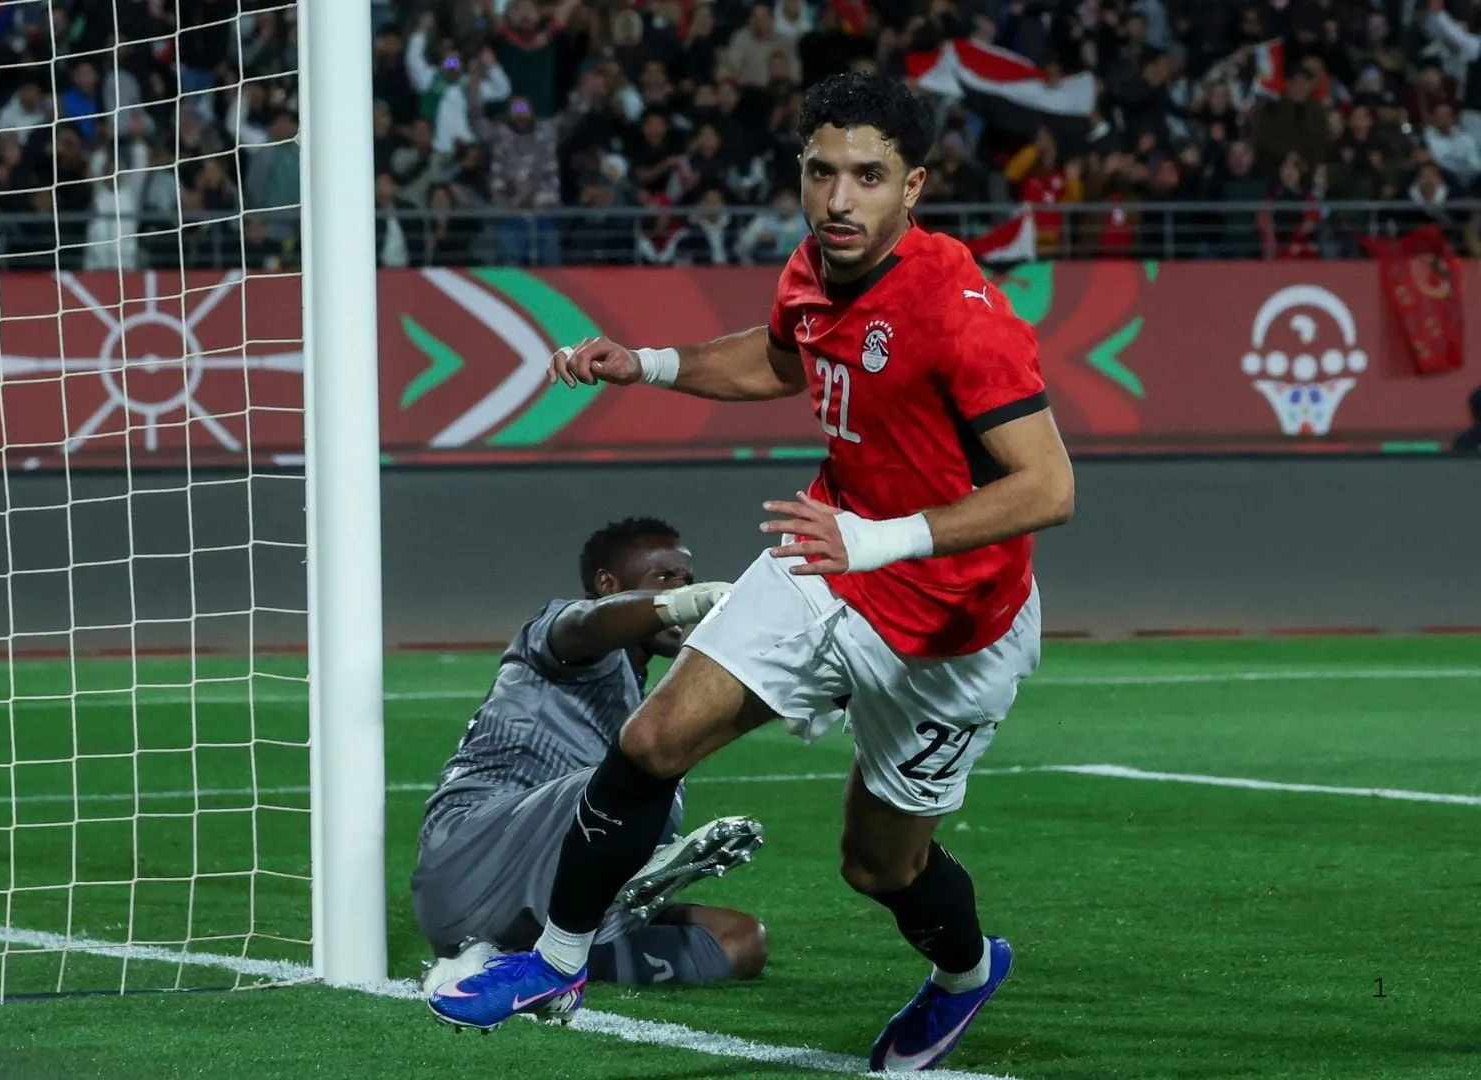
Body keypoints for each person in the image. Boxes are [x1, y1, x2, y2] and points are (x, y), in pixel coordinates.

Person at [427, 71, 1075, 1075]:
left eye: (869, 176)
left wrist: (880, 540)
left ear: (916, 186)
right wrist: (643, 364)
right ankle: (556, 958)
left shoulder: (964, 314)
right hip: (828, 557)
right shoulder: (813, 271)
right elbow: (783, 360)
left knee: (879, 864)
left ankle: (962, 975)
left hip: (950, 629)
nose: (840, 199)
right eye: (822, 173)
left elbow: (1046, 488)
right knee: (651, 740)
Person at [414, 519, 767, 1002]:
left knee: (741, 942)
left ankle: (509, 960)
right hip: (473, 853)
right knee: (643, 776)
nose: (684, 589)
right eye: (665, 578)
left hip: (538, 892)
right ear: (608, 585)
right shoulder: (568, 639)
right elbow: (589, 623)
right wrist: (688, 603)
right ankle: (625, 877)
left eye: (688, 580)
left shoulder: (639, 698)